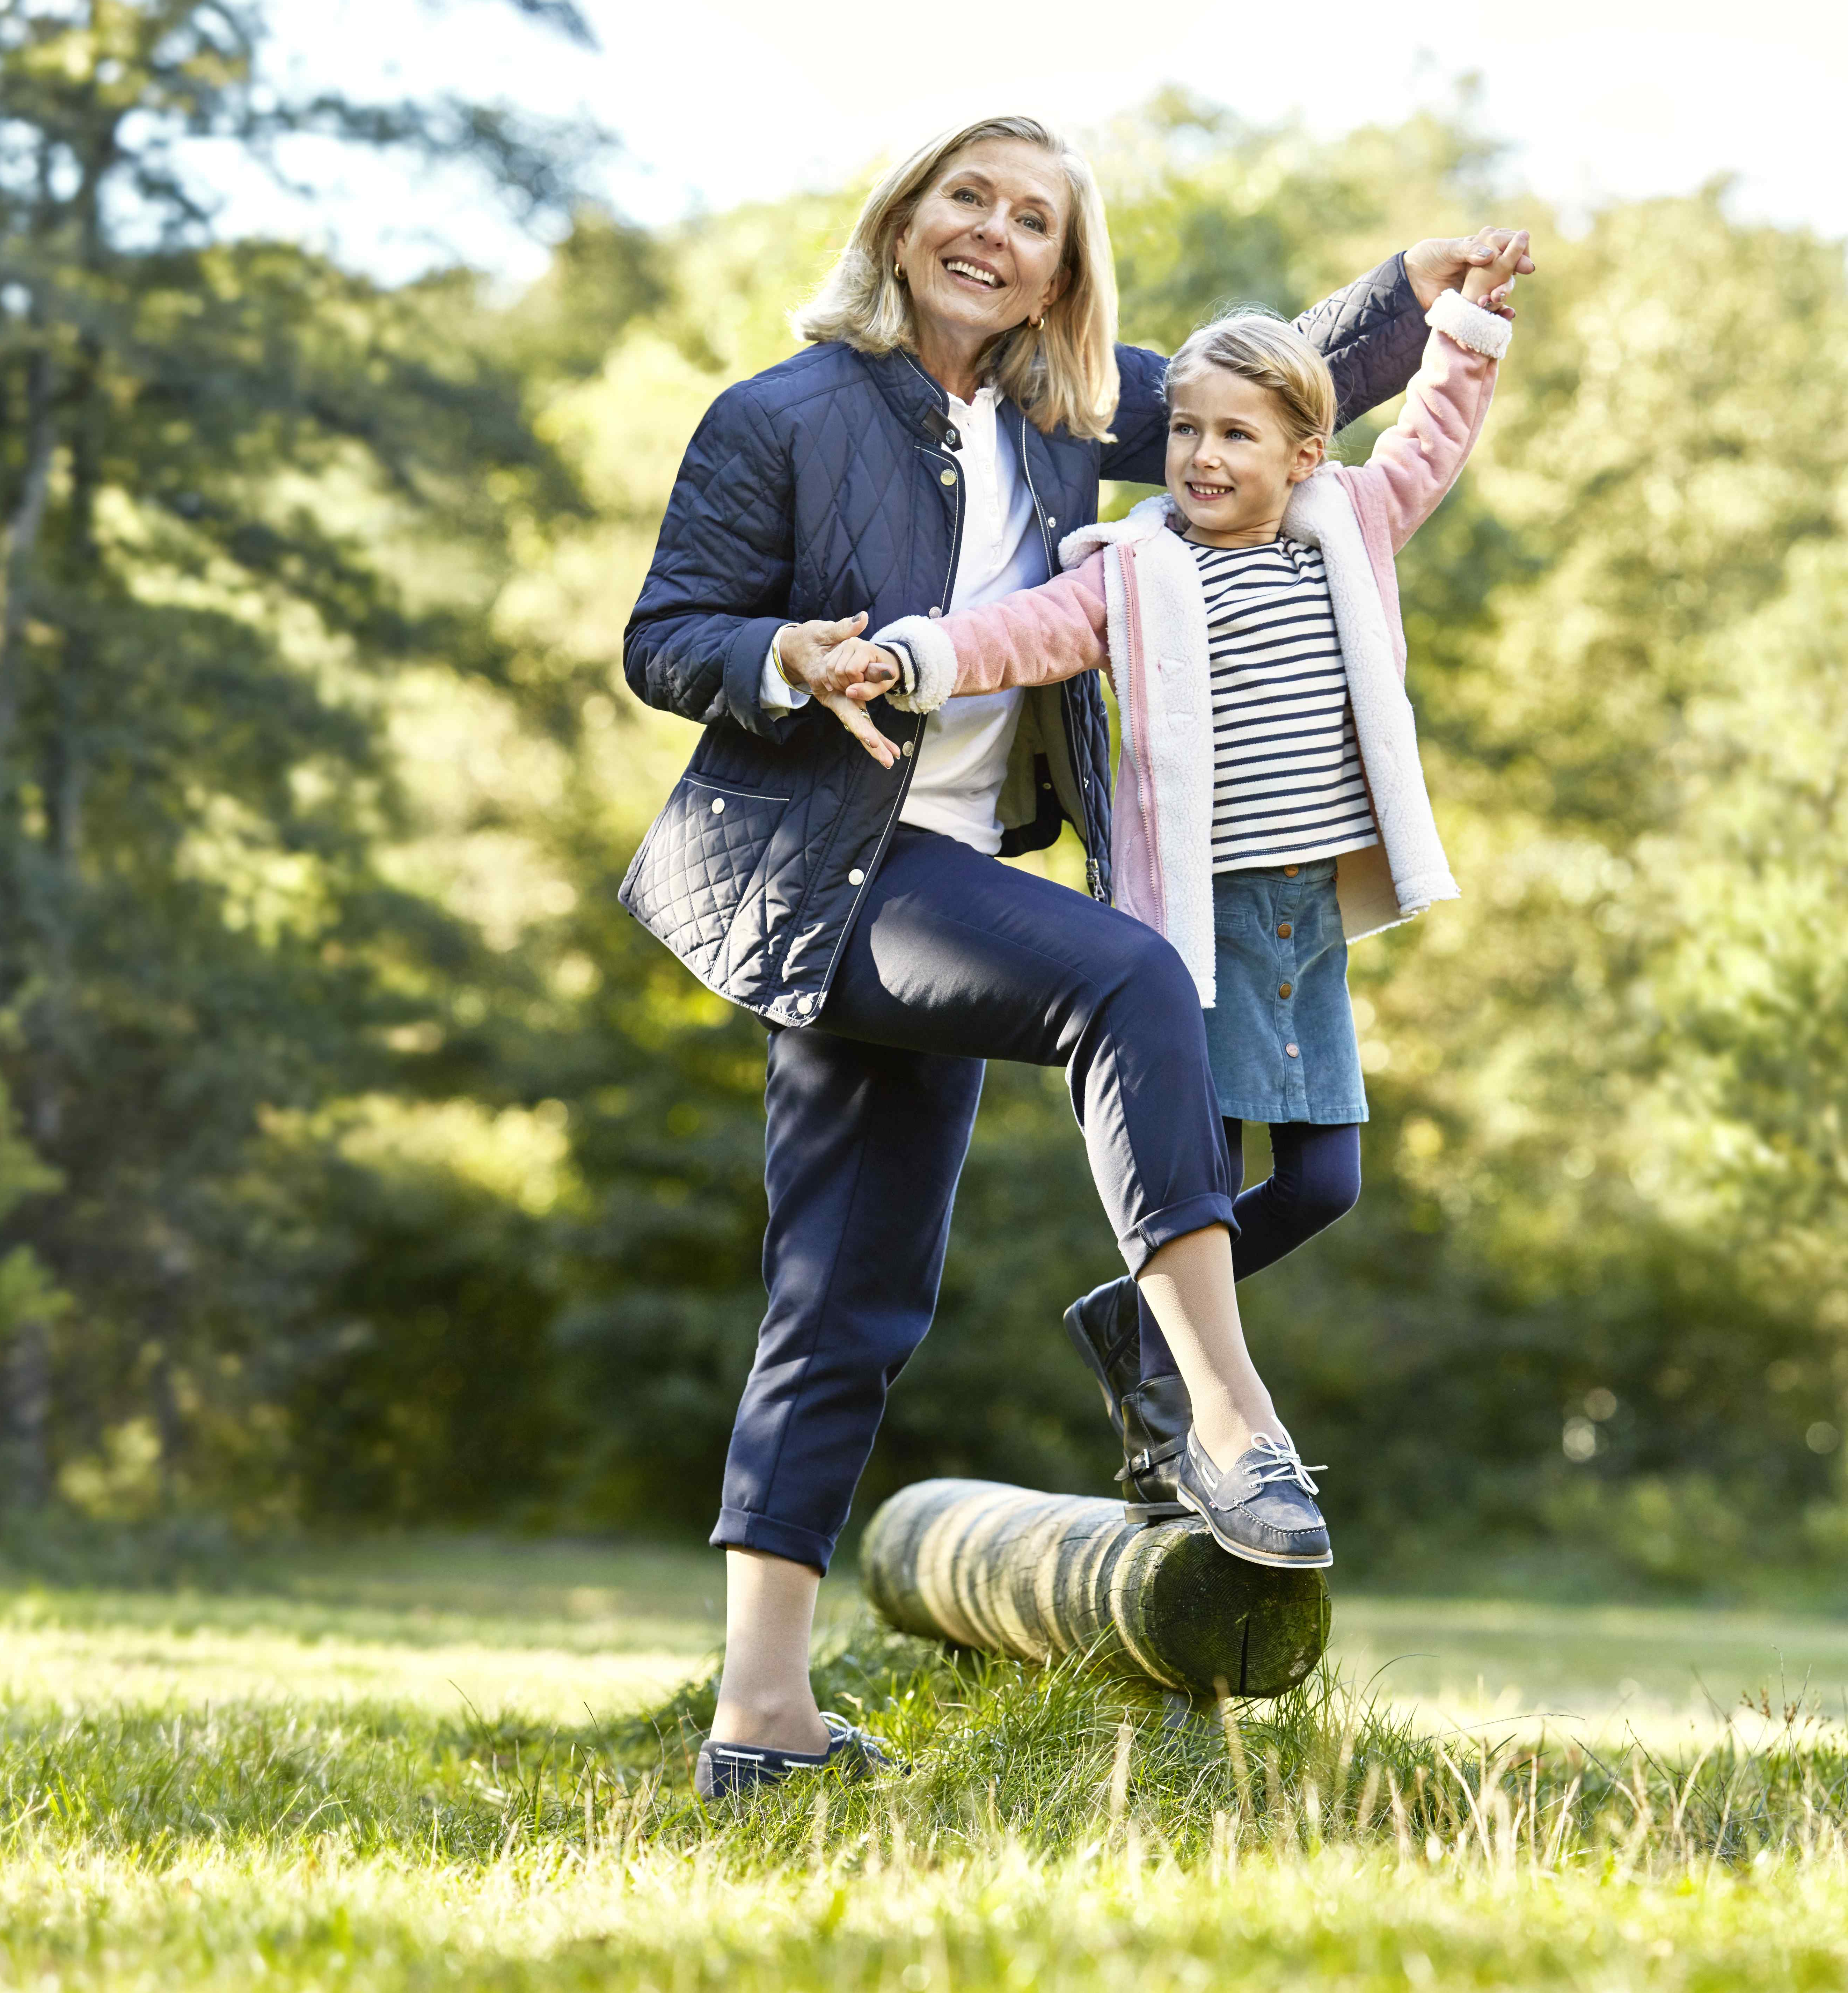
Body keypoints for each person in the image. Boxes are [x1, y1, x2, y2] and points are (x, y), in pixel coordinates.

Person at [619, 111, 1532, 1801]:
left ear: (1061, 266)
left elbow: (1269, 383)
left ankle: (760, 1724)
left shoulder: (1065, 405)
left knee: (854, 1294)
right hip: (821, 873)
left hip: (955, 877)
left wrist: (1407, 294)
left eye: (1032, 218)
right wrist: (779, 652)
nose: (993, 232)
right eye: (966, 197)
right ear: (903, 219)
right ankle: (1222, 1418)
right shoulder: (780, 416)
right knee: (1119, 982)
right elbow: (662, 638)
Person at [823, 252, 1525, 1525]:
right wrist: (915, 655)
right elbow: (1019, 633)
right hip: (1188, 930)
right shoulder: (1134, 573)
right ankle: (1182, 1424)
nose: (1201, 457)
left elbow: (1431, 440)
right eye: (1186, 431)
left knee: (1326, 1185)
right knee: (1199, 1177)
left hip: (1302, 920)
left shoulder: (1353, 529)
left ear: (1305, 455)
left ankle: (1131, 1317)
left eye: (1236, 436)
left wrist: (1466, 327)